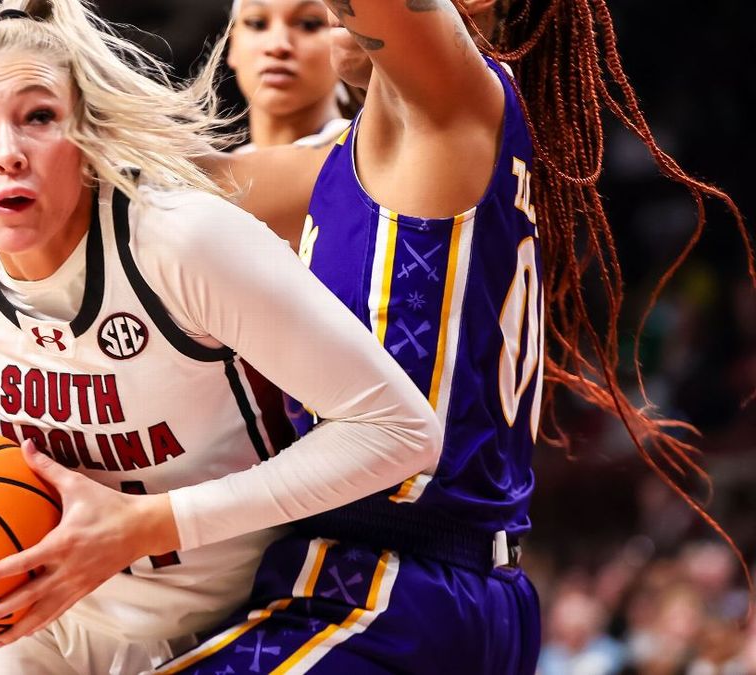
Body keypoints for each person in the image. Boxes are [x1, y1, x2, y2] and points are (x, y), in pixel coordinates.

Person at [0, 0, 443, 673]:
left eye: (39, 118)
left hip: (220, 621)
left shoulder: (179, 242)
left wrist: (152, 523)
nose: (8, 154)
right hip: (38, 614)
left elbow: (402, 430)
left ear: (86, 128)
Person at [155, 0, 754, 673]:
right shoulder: (351, 157)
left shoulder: (456, 98)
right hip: (424, 582)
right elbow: (155, 187)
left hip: (399, 586)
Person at [225, 0, 351, 153]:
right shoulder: (214, 166)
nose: (277, 46)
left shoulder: (362, 157)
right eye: (257, 24)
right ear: (232, 44)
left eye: (308, 24)